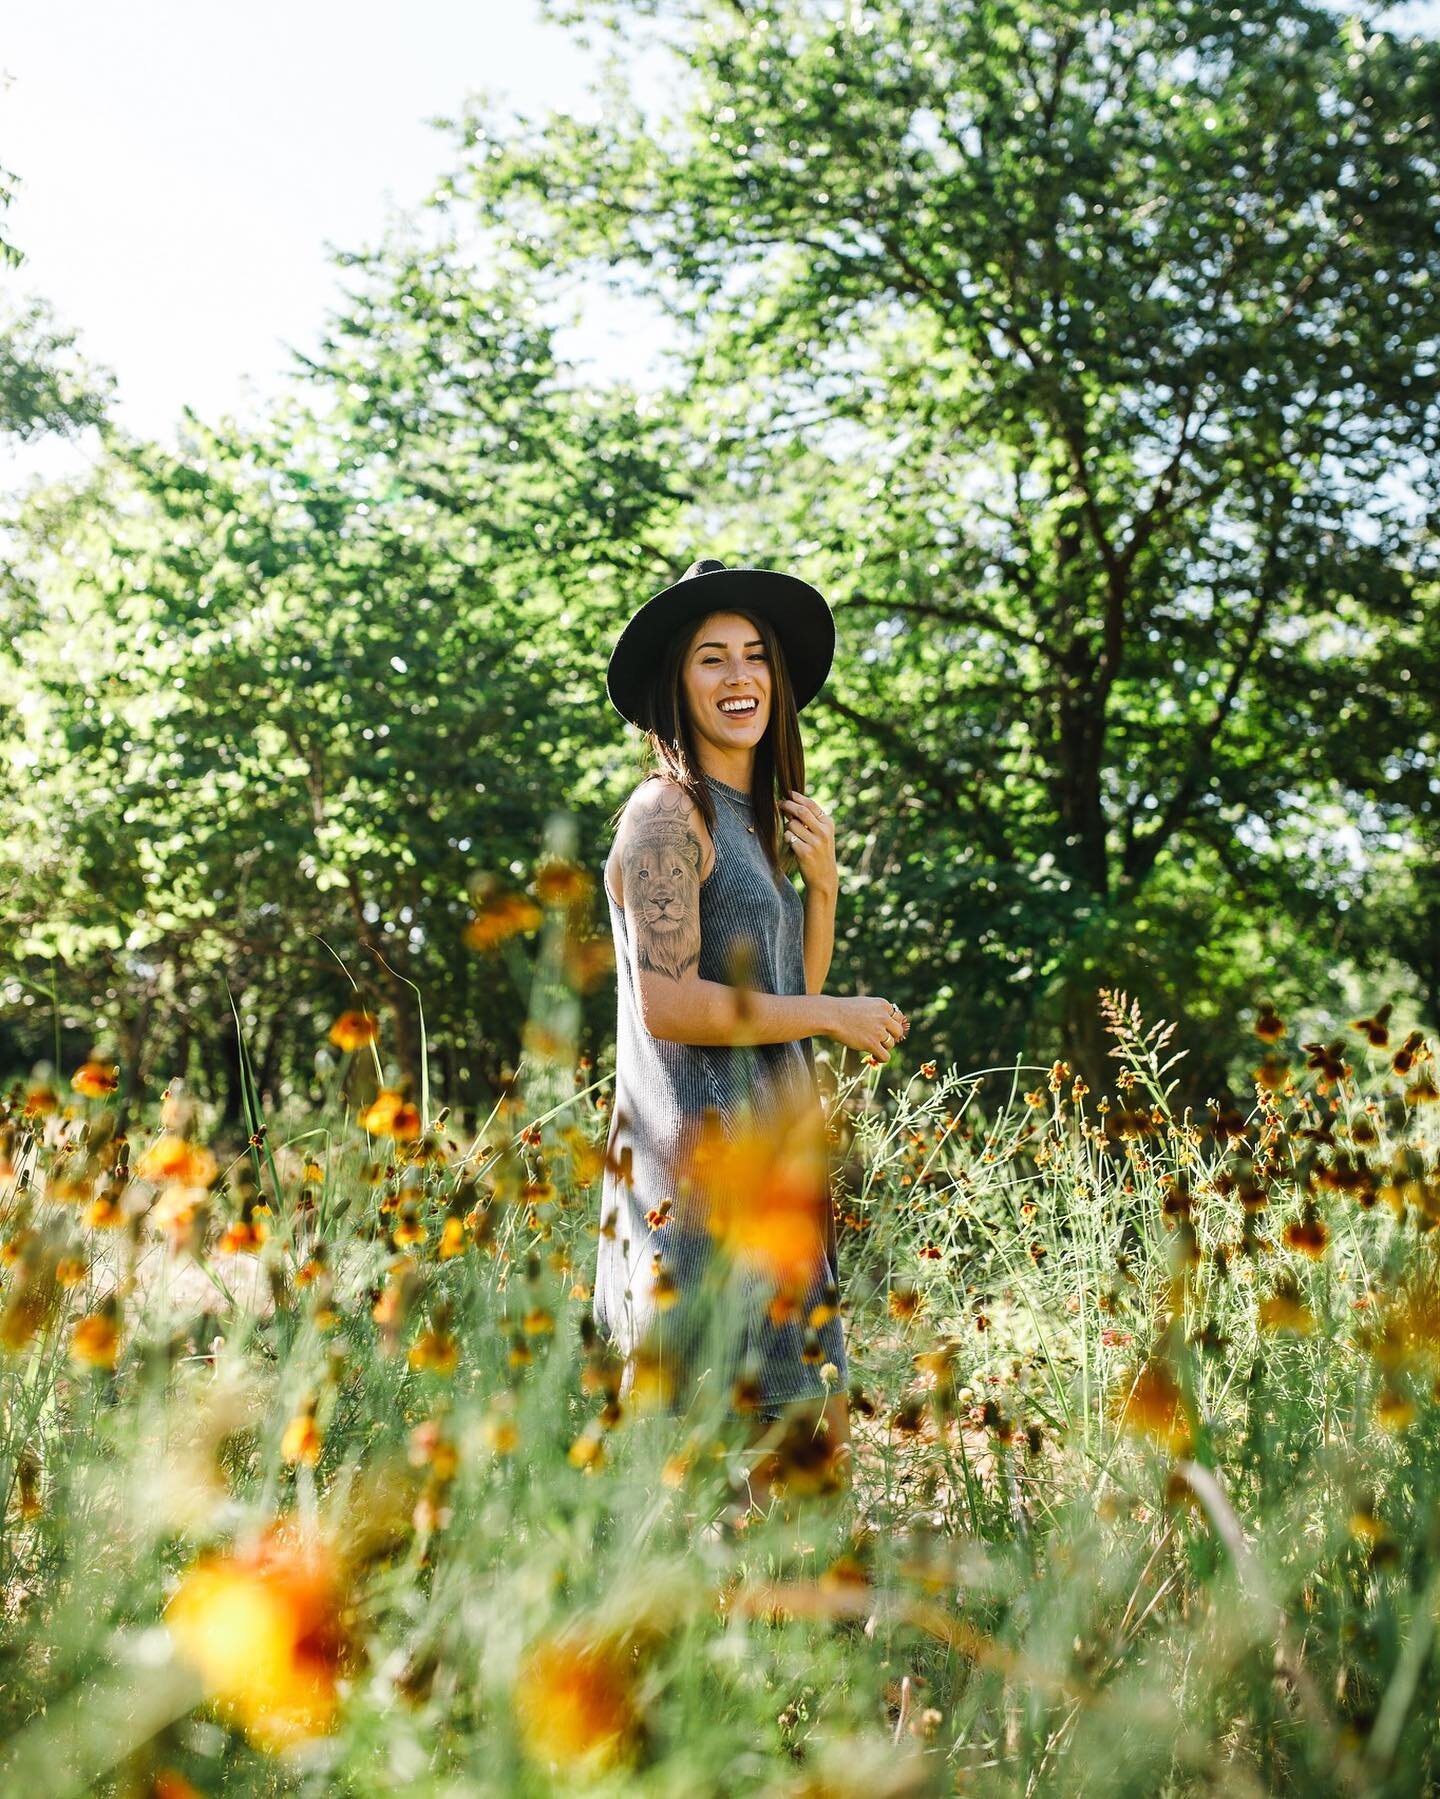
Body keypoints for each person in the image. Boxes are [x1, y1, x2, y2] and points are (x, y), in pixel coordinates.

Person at [594, 557, 909, 1514]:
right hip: (692, 1193)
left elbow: (782, 1001)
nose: (740, 677)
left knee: (801, 1457)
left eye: (755, 657)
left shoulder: (755, 823)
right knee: (698, 1475)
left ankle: (795, 1654)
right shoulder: (667, 812)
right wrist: (834, 1014)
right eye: (710, 659)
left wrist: (823, 892)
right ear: (674, 685)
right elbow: (670, 1004)